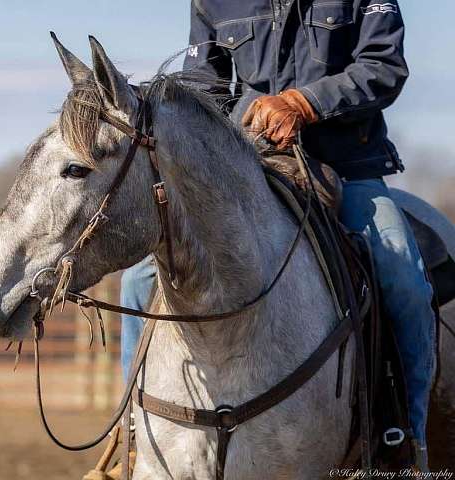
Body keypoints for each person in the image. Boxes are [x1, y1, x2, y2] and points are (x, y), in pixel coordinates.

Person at [120, 0, 434, 470]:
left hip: (348, 168)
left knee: (404, 280)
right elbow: (201, 87)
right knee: (136, 282)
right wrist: (256, 109)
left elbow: (384, 66)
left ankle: (405, 437)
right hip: (245, 171)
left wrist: (304, 103)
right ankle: (133, 431)